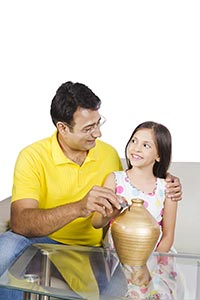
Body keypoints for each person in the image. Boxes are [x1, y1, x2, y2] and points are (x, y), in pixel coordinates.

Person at [0, 82, 182, 300]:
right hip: (43, 244)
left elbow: (134, 183)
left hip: (93, 252)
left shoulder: (107, 154)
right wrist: (79, 207)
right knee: (7, 246)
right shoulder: (32, 156)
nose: (98, 133)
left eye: (98, 123)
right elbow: (21, 222)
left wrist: (165, 178)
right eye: (88, 128)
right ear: (63, 128)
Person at [91, 121, 183, 299]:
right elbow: (96, 222)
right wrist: (109, 215)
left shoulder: (167, 188)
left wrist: (147, 266)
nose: (136, 148)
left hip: (153, 260)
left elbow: (168, 236)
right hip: (117, 258)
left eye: (146, 145)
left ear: (159, 155)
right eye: (134, 141)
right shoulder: (114, 180)